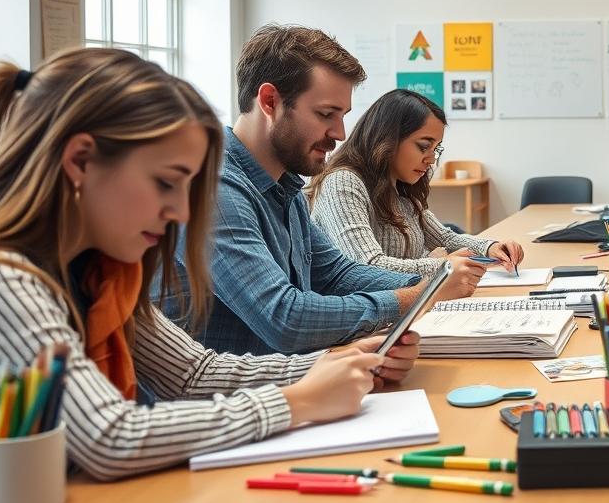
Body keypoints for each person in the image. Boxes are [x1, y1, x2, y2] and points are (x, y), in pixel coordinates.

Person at [0, 49, 421, 480]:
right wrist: (295, 403)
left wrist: (337, 363)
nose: (181, 212)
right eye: (165, 183)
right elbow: (111, 437)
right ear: (81, 161)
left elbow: (193, 373)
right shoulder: (7, 277)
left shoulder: (102, 271)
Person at [159, 24, 485, 356]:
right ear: (270, 101)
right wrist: (420, 295)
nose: (341, 132)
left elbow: (335, 273)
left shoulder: (283, 186)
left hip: (285, 381)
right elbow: (285, 318)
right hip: (227, 398)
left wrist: (434, 285)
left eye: (342, 115)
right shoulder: (214, 188)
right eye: (326, 114)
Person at [309, 89, 524, 282]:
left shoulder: (399, 185)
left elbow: (444, 237)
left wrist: (491, 247)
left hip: (406, 304)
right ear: (387, 139)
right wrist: (443, 265)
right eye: (423, 147)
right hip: (371, 320)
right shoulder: (343, 182)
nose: (431, 159)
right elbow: (368, 267)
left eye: (435, 149)